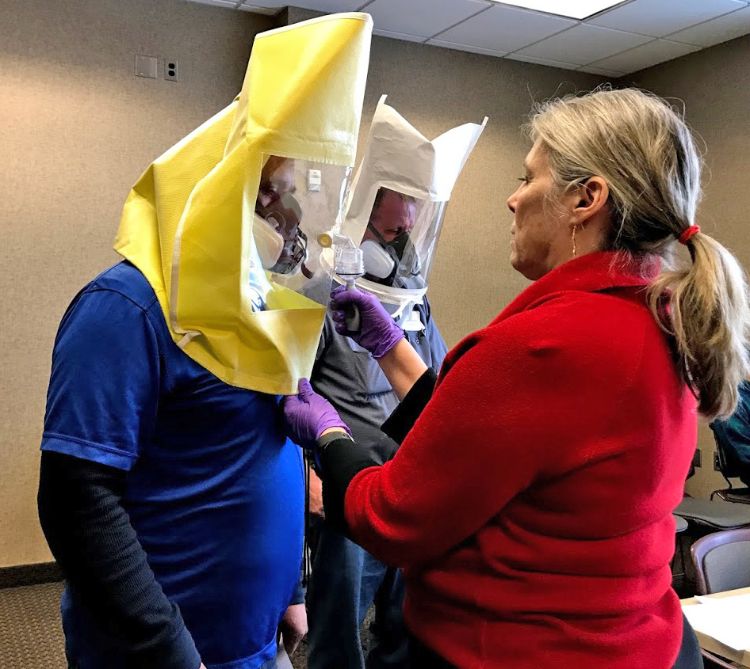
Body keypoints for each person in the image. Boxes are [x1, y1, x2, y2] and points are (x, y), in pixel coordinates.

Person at [283, 87, 750, 669]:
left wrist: (328, 438)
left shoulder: (543, 345)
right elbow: (489, 441)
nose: (512, 199)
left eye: (527, 178)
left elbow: (394, 518)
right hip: (634, 640)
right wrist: (391, 349)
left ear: (586, 199)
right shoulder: (657, 321)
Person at [37, 156, 308, 669]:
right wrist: (167, 648)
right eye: (268, 194)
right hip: (160, 653)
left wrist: (290, 588)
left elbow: (265, 449)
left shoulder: (254, 306)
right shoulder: (125, 307)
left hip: (255, 640)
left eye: (288, 194)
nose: (284, 214)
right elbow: (76, 498)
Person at [306, 187, 447, 669]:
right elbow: (281, 398)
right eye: (388, 233)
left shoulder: (414, 301)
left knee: (405, 625)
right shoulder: (324, 299)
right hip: (346, 492)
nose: (397, 248)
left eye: (405, 234)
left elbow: (437, 385)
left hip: (407, 490)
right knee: (339, 635)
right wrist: (309, 482)